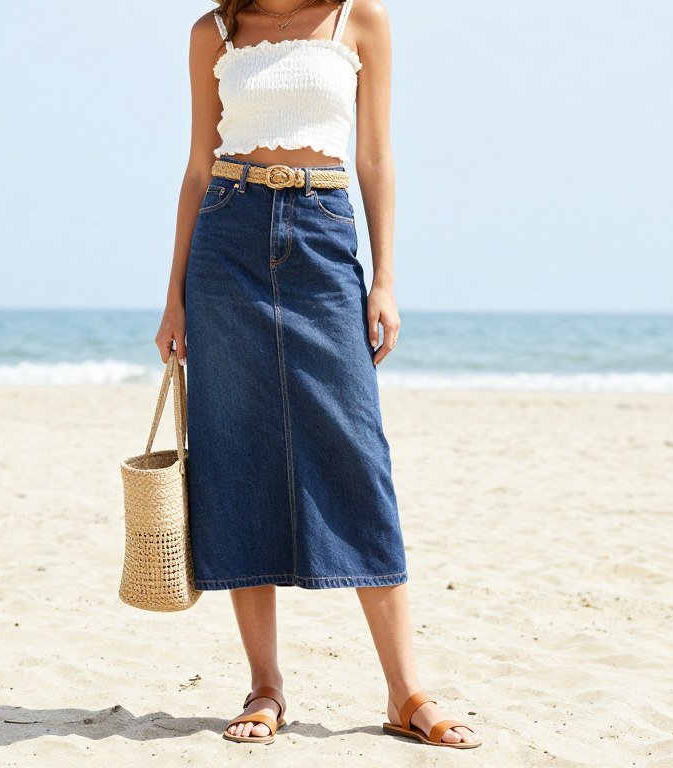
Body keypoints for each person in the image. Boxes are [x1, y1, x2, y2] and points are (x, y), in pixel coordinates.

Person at [154, 0, 482, 749]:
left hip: (324, 232)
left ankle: (407, 692)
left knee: (357, 457)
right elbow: (199, 166)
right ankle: (265, 686)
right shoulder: (216, 32)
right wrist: (172, 295)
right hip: (227, 238)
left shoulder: (358, 19)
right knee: (234, 454)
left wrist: (386, 279)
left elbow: (374, 156)